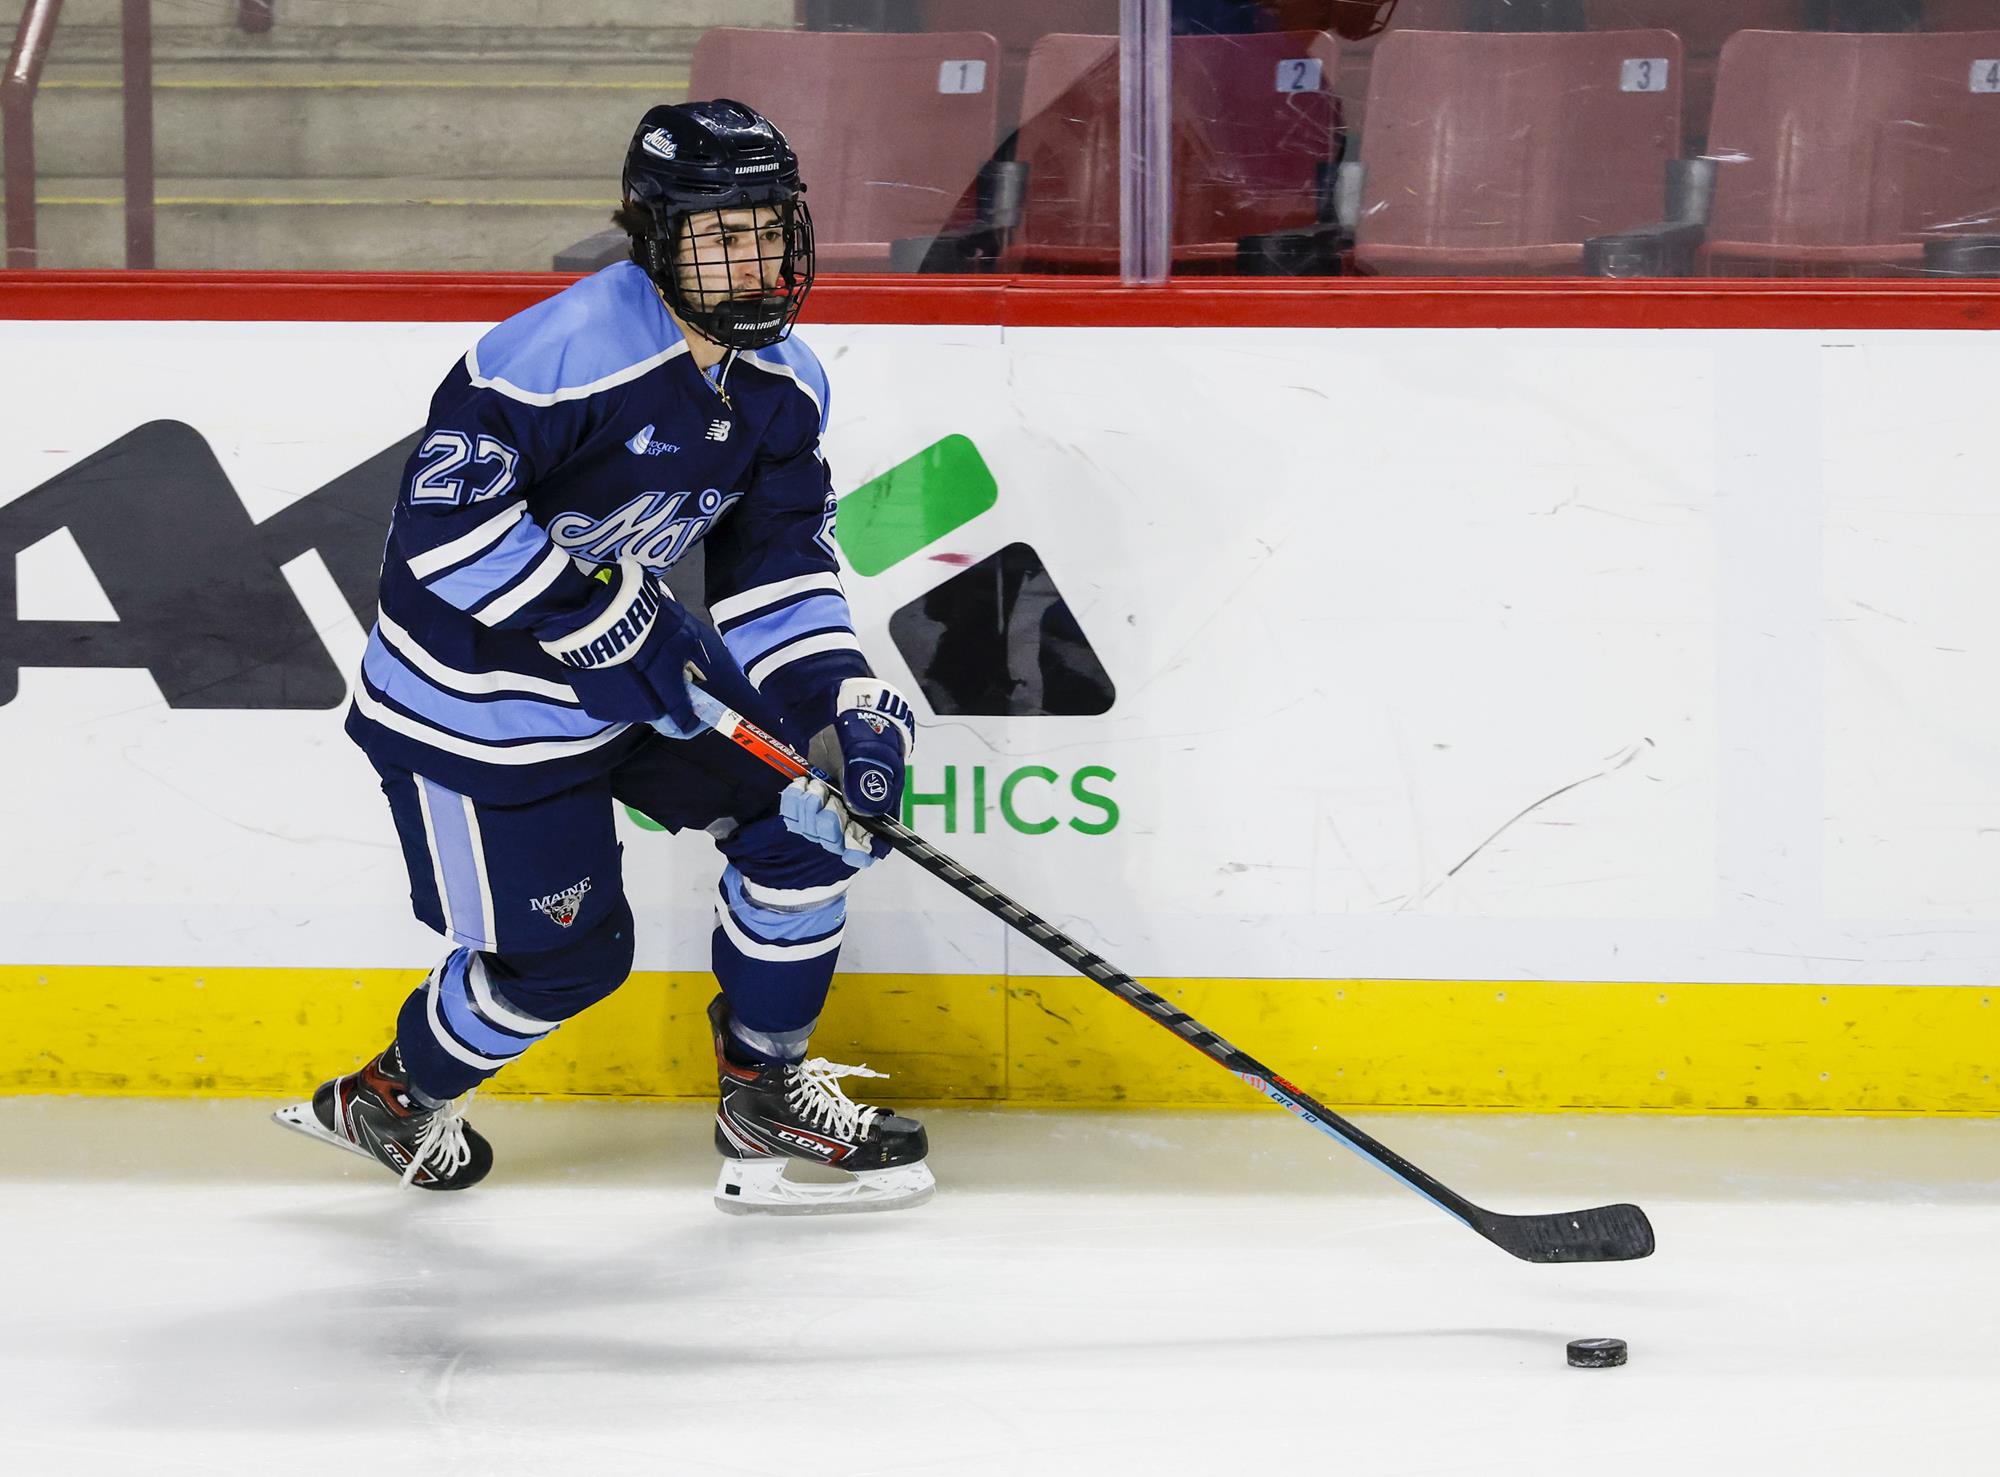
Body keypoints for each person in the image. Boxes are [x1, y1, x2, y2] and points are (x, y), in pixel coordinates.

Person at [274, 98, 935, 1216]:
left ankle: (760, 1090)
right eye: (721, 234)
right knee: (565, 966)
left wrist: (836, 700)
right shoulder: (553, 357)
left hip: (633, 676)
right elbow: (441, 535)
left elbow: (772, 565)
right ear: (654, 233)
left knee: (810, 824)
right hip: (478, 709)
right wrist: (586, 615)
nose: (755, 260)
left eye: (770, 228)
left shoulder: (784, 382)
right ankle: (391, 1100)